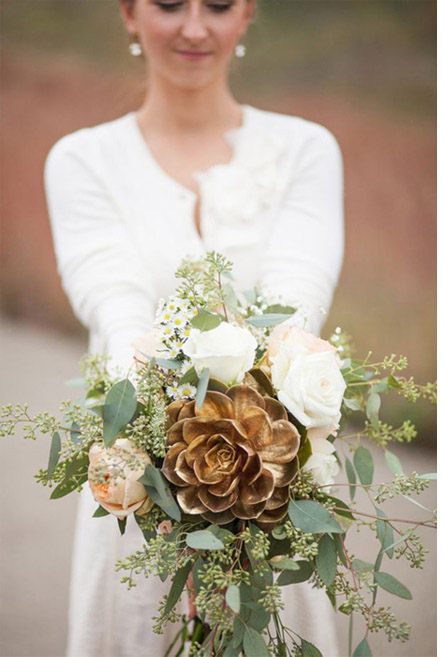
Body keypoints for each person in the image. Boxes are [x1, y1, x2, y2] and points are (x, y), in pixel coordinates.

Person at [44, 1, 343, 654]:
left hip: (280, 481)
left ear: (248, 13)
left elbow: (296, 308)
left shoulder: (306, 150)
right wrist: (166, 460)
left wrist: (242, 484)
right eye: (170, 3)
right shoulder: (81, 160)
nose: (194, 27)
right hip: (138, 485)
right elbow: (114, 305)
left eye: (218, 5)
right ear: (128, 12)